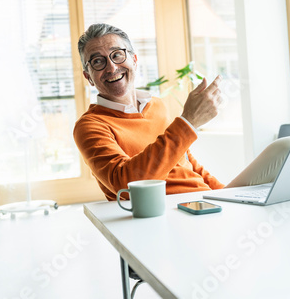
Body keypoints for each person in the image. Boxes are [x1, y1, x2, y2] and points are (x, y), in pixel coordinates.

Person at [73, 23, 225, 201]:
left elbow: (187, 163)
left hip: (203, 200)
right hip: (165, 211)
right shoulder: (90, 126)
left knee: (265, 167)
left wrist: (225, 193)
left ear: (134, 61)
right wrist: (188, 122)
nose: (112, 68)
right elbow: (128, 185)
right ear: (89, 77)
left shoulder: (157, 105)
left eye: (117, 55)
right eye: (98, 61)